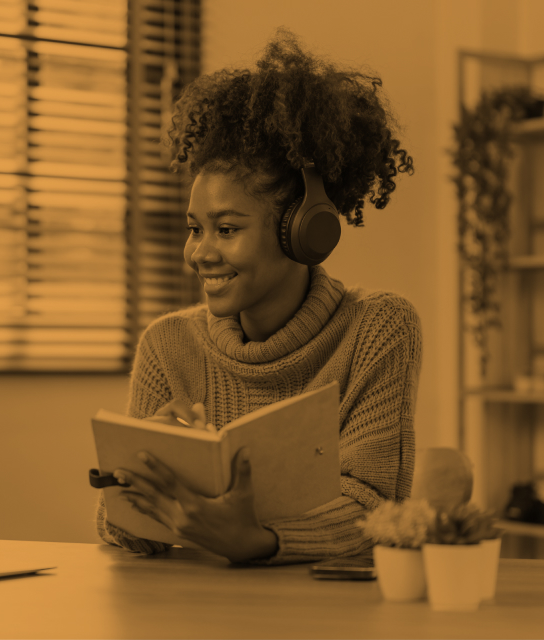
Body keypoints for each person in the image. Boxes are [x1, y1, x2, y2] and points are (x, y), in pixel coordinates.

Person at [95, 30, 421, 565]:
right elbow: (133, 540)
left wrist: (259, 541)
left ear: (303, 230)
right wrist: (139, 480)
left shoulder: (378, 328)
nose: (198, 253)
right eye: (194, 228)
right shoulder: (168, 345)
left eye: (226, 229)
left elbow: (374, 509)